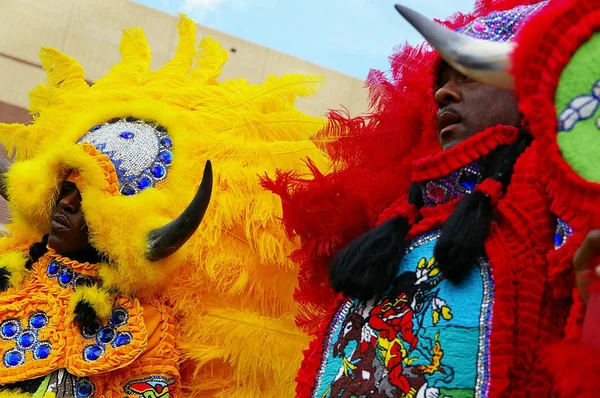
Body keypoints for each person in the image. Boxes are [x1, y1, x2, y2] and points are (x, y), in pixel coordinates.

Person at [266, 0, 598, 396]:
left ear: (531, 91)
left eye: (468, 76)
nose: (442, 93)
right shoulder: (405, 214)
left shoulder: (557, 192)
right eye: (442, 80)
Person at [0, 14, 329, 397]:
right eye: (64, 190)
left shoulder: (146, 327)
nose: (66, 206)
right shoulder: (10, 269)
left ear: (118, 228)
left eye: (85, 200)